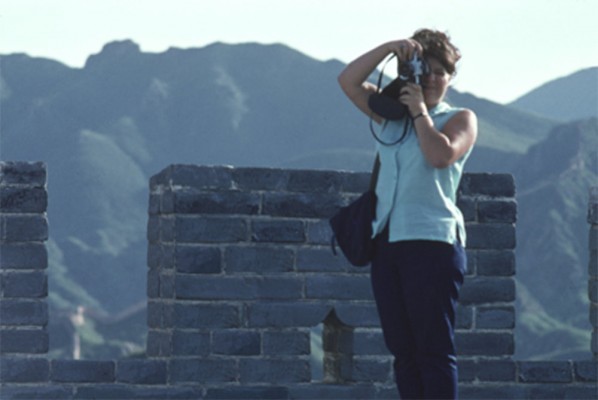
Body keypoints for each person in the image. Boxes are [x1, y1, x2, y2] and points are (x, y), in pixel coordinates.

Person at [338, 29, 477, 399]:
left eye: (439, 72)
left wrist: (419, 111)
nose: (430, 79)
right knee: (403, 352)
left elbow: (439, 155)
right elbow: (348, 81)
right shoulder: (391, 117)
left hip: (433, 243)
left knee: (433, 350)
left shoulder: (459, 118)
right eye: (422, 70)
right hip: (387, 242)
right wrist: (388, 48)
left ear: (450, 77)